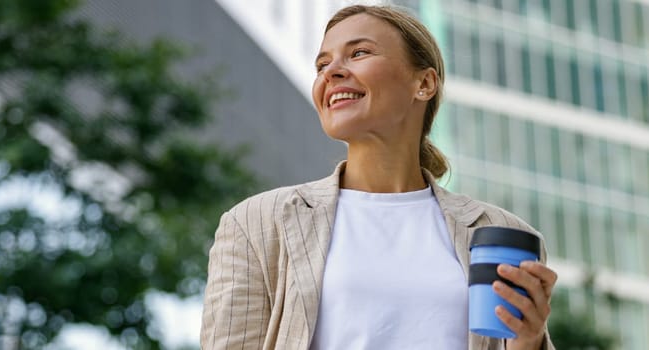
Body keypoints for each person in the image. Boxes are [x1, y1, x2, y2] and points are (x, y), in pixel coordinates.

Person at [201, 5, 558, 350]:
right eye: (322, 64)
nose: (331, 72)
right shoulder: (256, 224)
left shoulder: (501, 232)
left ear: (424, 83)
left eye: (358, 53)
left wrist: (529, 343)